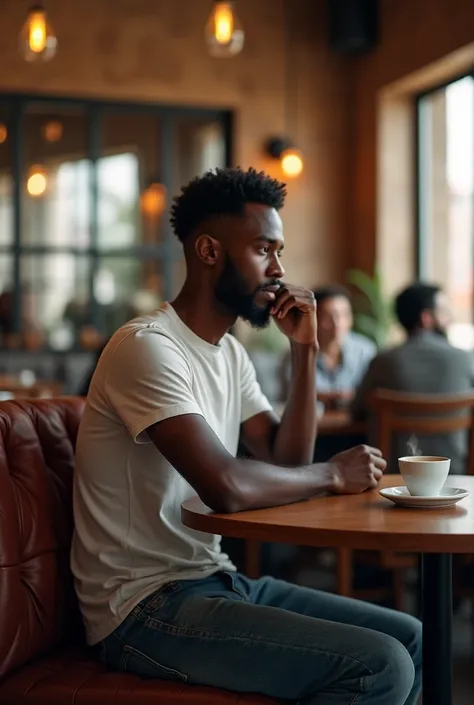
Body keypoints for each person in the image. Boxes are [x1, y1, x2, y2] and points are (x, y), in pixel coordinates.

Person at [71, 167, 421, 705]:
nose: (279, 270)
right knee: (379, 666)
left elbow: (285, 459)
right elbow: (227, 487)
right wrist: (331, 474)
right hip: (143, 607)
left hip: (213, 577)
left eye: (279, 252)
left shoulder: (230, 353)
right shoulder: (147, 347)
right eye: (264, 250)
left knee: (411, 635)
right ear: (209, 251)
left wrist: (303, 351)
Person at [352, 282, 474, 474]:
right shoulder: (465, 359)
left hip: (394, 477)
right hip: (458, 474)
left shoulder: (383, 361)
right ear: (426, 318)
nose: (450, 317)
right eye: (443, 311)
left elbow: (356, 410)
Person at [281, 285, 376, 409]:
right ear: (313, 320)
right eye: (327, 316)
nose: (337, 323)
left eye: (344, 315)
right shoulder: (298, 354)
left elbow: (374, 392)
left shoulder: (365, 350)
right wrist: (346, 397)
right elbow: (296, 395)